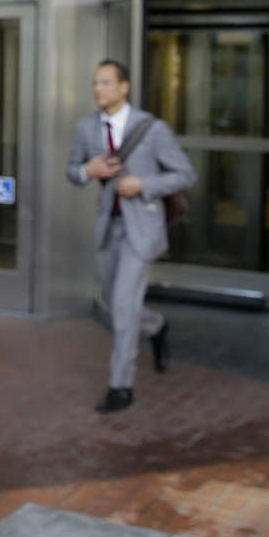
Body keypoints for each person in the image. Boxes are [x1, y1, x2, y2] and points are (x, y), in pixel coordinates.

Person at [67, 60, 195, 413]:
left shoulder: (151, 129)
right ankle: (156, 326)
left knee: (123, 306)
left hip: (142, 226)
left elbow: (185, 174)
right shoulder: (86, 127)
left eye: (105, 83)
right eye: (95, 83)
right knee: (111, 297)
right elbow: (71, 169)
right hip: (109, 226)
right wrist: (86, 171)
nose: (97, 89)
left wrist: (144, 185)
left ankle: (120, 386)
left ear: (124, 87)